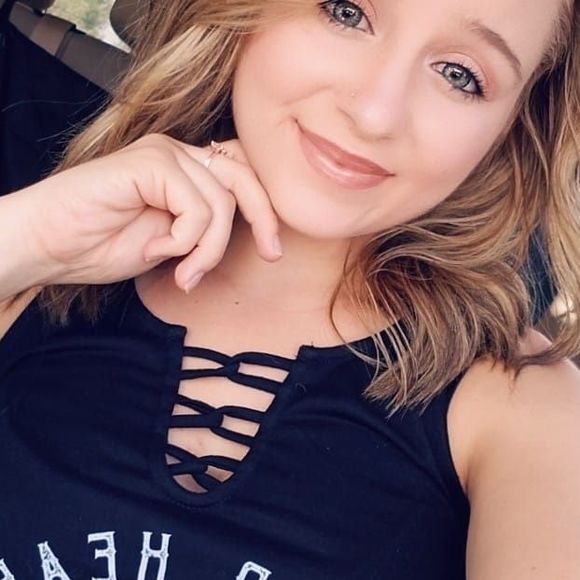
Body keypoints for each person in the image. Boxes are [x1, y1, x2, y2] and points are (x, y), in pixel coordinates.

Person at [0, 0, 579, 577]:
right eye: (345, 12)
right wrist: (29, 241)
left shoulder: (527, 411)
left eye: (459, 75)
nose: (374, 114)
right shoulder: (38, 275)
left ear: (515, 123)